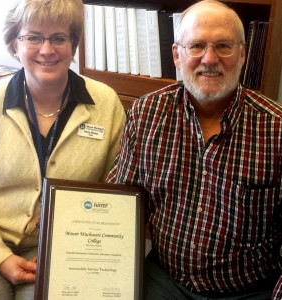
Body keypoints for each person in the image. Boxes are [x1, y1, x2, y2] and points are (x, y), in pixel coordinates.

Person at [106, 0, 282, 299]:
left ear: (242, 54)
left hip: (248, 290)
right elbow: (122, 201)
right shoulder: (146, 114)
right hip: (164, 279)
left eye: (224, 46)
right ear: (177, 55)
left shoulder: (276, 130)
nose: (209, 59)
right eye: (196, 46)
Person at [0, 0, 126, 299]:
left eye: (59, 38)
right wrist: (0, 257)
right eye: (33, 37)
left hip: (68, 250)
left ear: (73, 44)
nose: (47, 50)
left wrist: (76, 252)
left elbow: (116, 189)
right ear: (14, 43)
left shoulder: (106, 103)